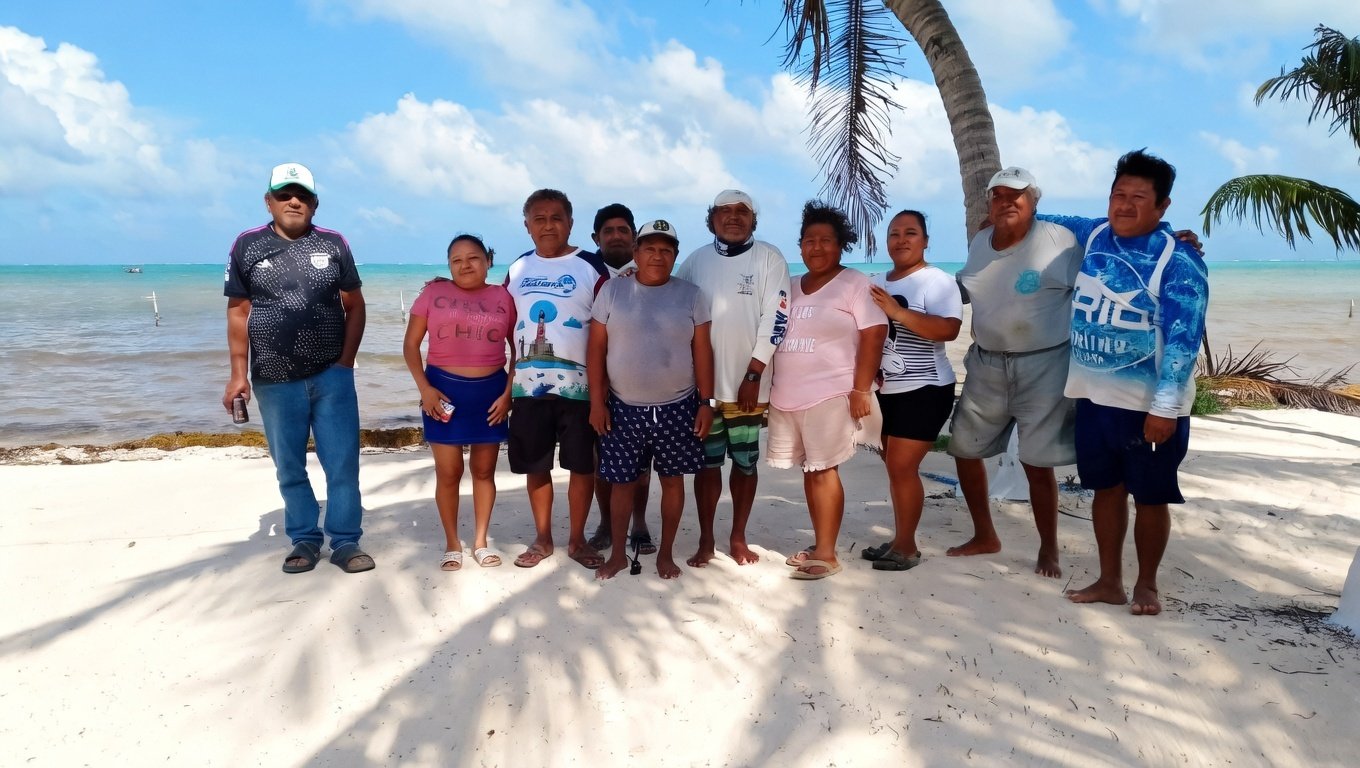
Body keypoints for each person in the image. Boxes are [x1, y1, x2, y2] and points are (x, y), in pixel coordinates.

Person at [1040, 149, 1209, 616]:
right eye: (1119, 194)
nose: (1125, 205)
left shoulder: (1179, 261)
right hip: (1094, 399)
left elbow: (1183, 339)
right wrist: (1011, 206)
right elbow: (1042, 216)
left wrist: (1166, 408)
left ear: (1162, 207)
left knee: (1152, 497)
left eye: (1139, 197)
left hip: (1149, 405)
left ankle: (1148, 584)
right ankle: (1110, 580)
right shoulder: (1094, 232)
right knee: (1105, 490)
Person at [222, 162, 371, 574]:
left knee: (342, 463)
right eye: (285, 194)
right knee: (289, 465)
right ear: (268, 201)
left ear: (315, 204)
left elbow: (355, 306)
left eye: (302, 195)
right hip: (273, 380)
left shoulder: (334, 244)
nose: (294, 201)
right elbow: (238, 312)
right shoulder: (246, 246)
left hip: (331, 377)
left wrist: (346, 363)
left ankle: (344, 541)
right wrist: (238, 374)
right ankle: (304, 538)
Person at [947, 167, 1084, 579]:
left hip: (1044, 364)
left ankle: (1049, 549)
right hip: (987, 363)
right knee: (964, 450)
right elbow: (965, 292)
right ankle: (985, 535)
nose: (1006, 202)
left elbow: (1101, 277)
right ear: (989, 203)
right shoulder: (979, 242)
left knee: (1037, 463)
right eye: (998, 195)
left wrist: (1173, 241)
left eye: (1016, 195)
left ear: (1034, 201)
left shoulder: (1060, 241)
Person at [587, 219, 715, 579]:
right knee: (622, 482)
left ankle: (666, 554)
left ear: (675, 256)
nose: (657, 255)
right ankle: (616, 554)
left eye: (666, 249)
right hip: (622, 407)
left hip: (679, 406)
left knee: (672, 480)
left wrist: (707, 403)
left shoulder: (691, 295)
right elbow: (596, 351)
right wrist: (597, 403)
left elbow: (703, 352)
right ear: (635, 253)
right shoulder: (612, 292)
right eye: (649, 248)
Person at [768, 201, 887, 579]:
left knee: (824, 470)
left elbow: (874, 334)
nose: (816, 247)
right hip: (788, 394)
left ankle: (828, 553)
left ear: (841, 245)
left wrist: (861, 389)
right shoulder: (789, 287)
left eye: (826, 241)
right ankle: (821, 542)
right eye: (809, 240)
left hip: (832, 393)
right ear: (800, 246)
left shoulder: (854, 284)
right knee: (810, 470)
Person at [674, 190, 791, 567]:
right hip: (703, 390)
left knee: (744, 463)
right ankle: (707, 540)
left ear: (754, 221)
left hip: (748, 387)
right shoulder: (694, 261)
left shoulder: (769, 258)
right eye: (725, 212)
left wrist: (754, 372)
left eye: (743, 212)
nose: (734, 218)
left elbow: (777, 316)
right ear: (711, 220)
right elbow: (673, 309)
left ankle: (737, 537)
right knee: (707, 466)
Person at [504, 189, 611, 569]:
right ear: (527, 226)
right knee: (536, 465)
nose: (548, 225)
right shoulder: (517, 269)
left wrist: (601, 397)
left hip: (579, 391)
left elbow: (607, 331)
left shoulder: (591, 267)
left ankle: (578, 539)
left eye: (556, 218)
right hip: (527, 390)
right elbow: (506, 326)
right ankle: (543, 537)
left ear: (570, 222)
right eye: (539, 218)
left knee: (582, 466)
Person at [402, 234, 516, 571]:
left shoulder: (504, 297)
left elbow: (520, 350)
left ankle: (480, 541)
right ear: (449, 264)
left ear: (488, 261)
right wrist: (424, 389)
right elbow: (410, 347)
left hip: (490, 393)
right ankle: (453, 543)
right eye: (456, 260)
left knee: (484, 471)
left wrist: (508, 394)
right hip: (442, 392)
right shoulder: (432, 293)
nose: (465, 265)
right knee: (448, 472)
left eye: (473, 258)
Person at [862, 210, 963, 572]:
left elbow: (948, 330)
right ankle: (900, 537)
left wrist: (897, 312)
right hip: (885, 392)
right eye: (894, 234)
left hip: (926, 388)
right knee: (894, 469)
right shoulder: (875, 281)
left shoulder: (937, 281)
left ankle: (907, 547)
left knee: (903, 468)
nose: (901, 240)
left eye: (910, 233)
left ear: (925, 240)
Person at [586, 203, 655, 556]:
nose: (616, 236)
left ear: (634, 238)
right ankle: (605, 523)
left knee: (641, 462)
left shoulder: (650, 270)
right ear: (595, 238)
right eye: (608, 231)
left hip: (639, 384)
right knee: (602, 461)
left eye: (623, 230)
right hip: (596, 383)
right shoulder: (583, 268)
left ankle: (639, 522)